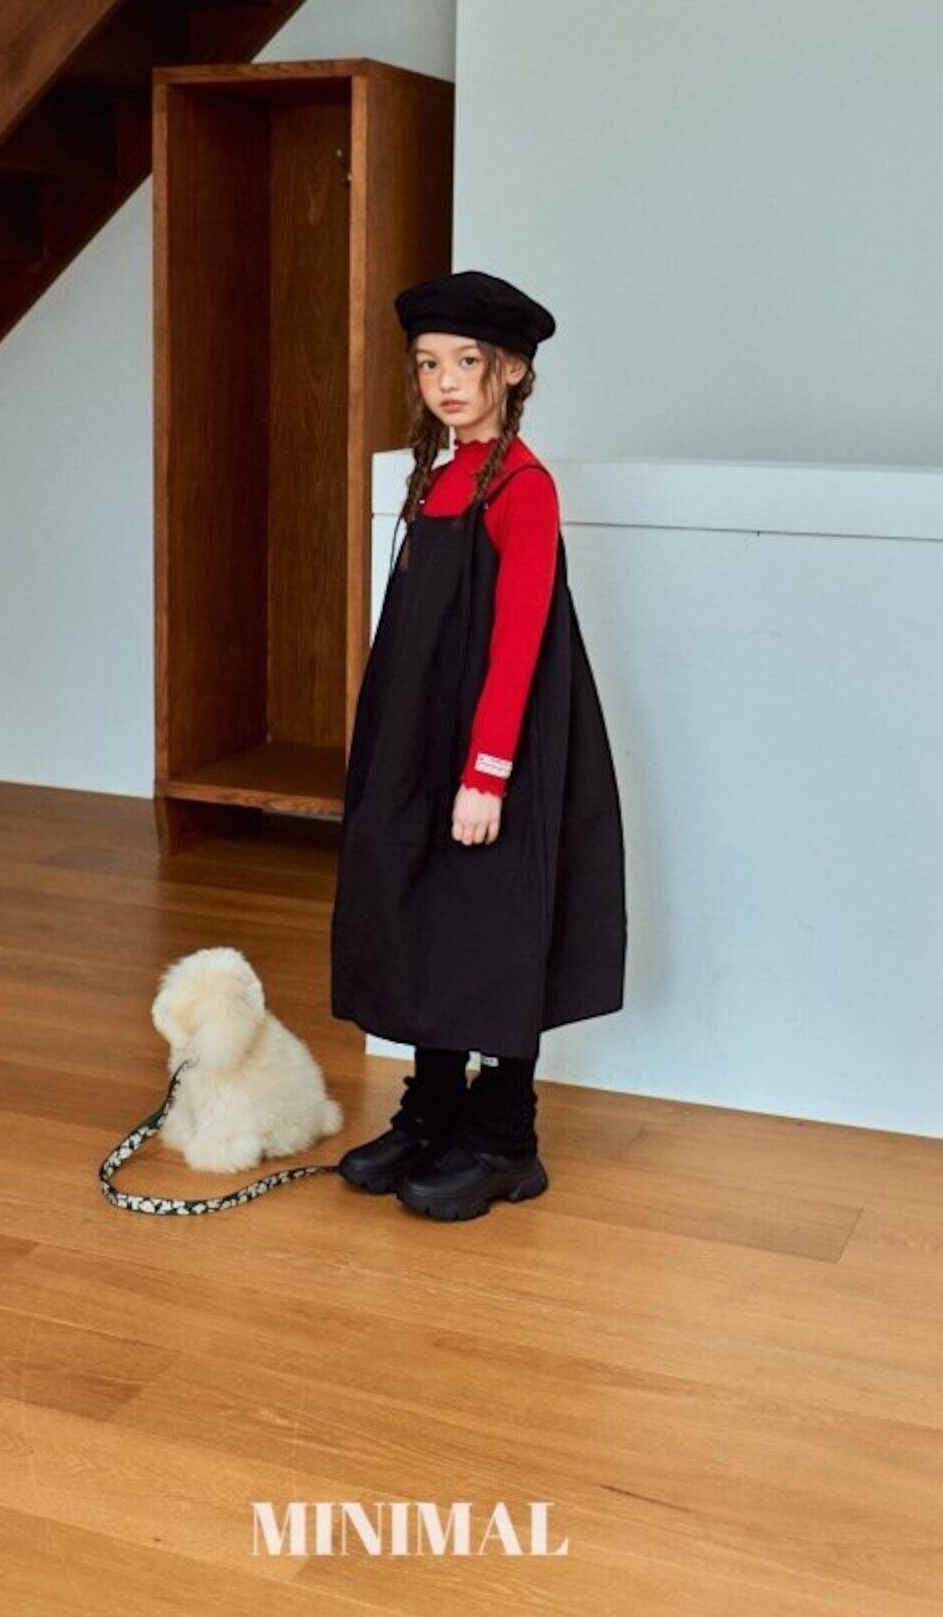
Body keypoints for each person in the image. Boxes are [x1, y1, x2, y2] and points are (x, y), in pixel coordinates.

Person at [330, 269, 627, 1221]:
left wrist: (487, 772)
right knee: (427, 917)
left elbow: (519, 638)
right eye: (429, 365)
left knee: (492, 928)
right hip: (424, 741)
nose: (446, 382)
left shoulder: (523, 486)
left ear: (514, 371)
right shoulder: (439, 475)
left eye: (467, 362)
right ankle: (431, 1113)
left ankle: (504, 1137)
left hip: (493, 749)